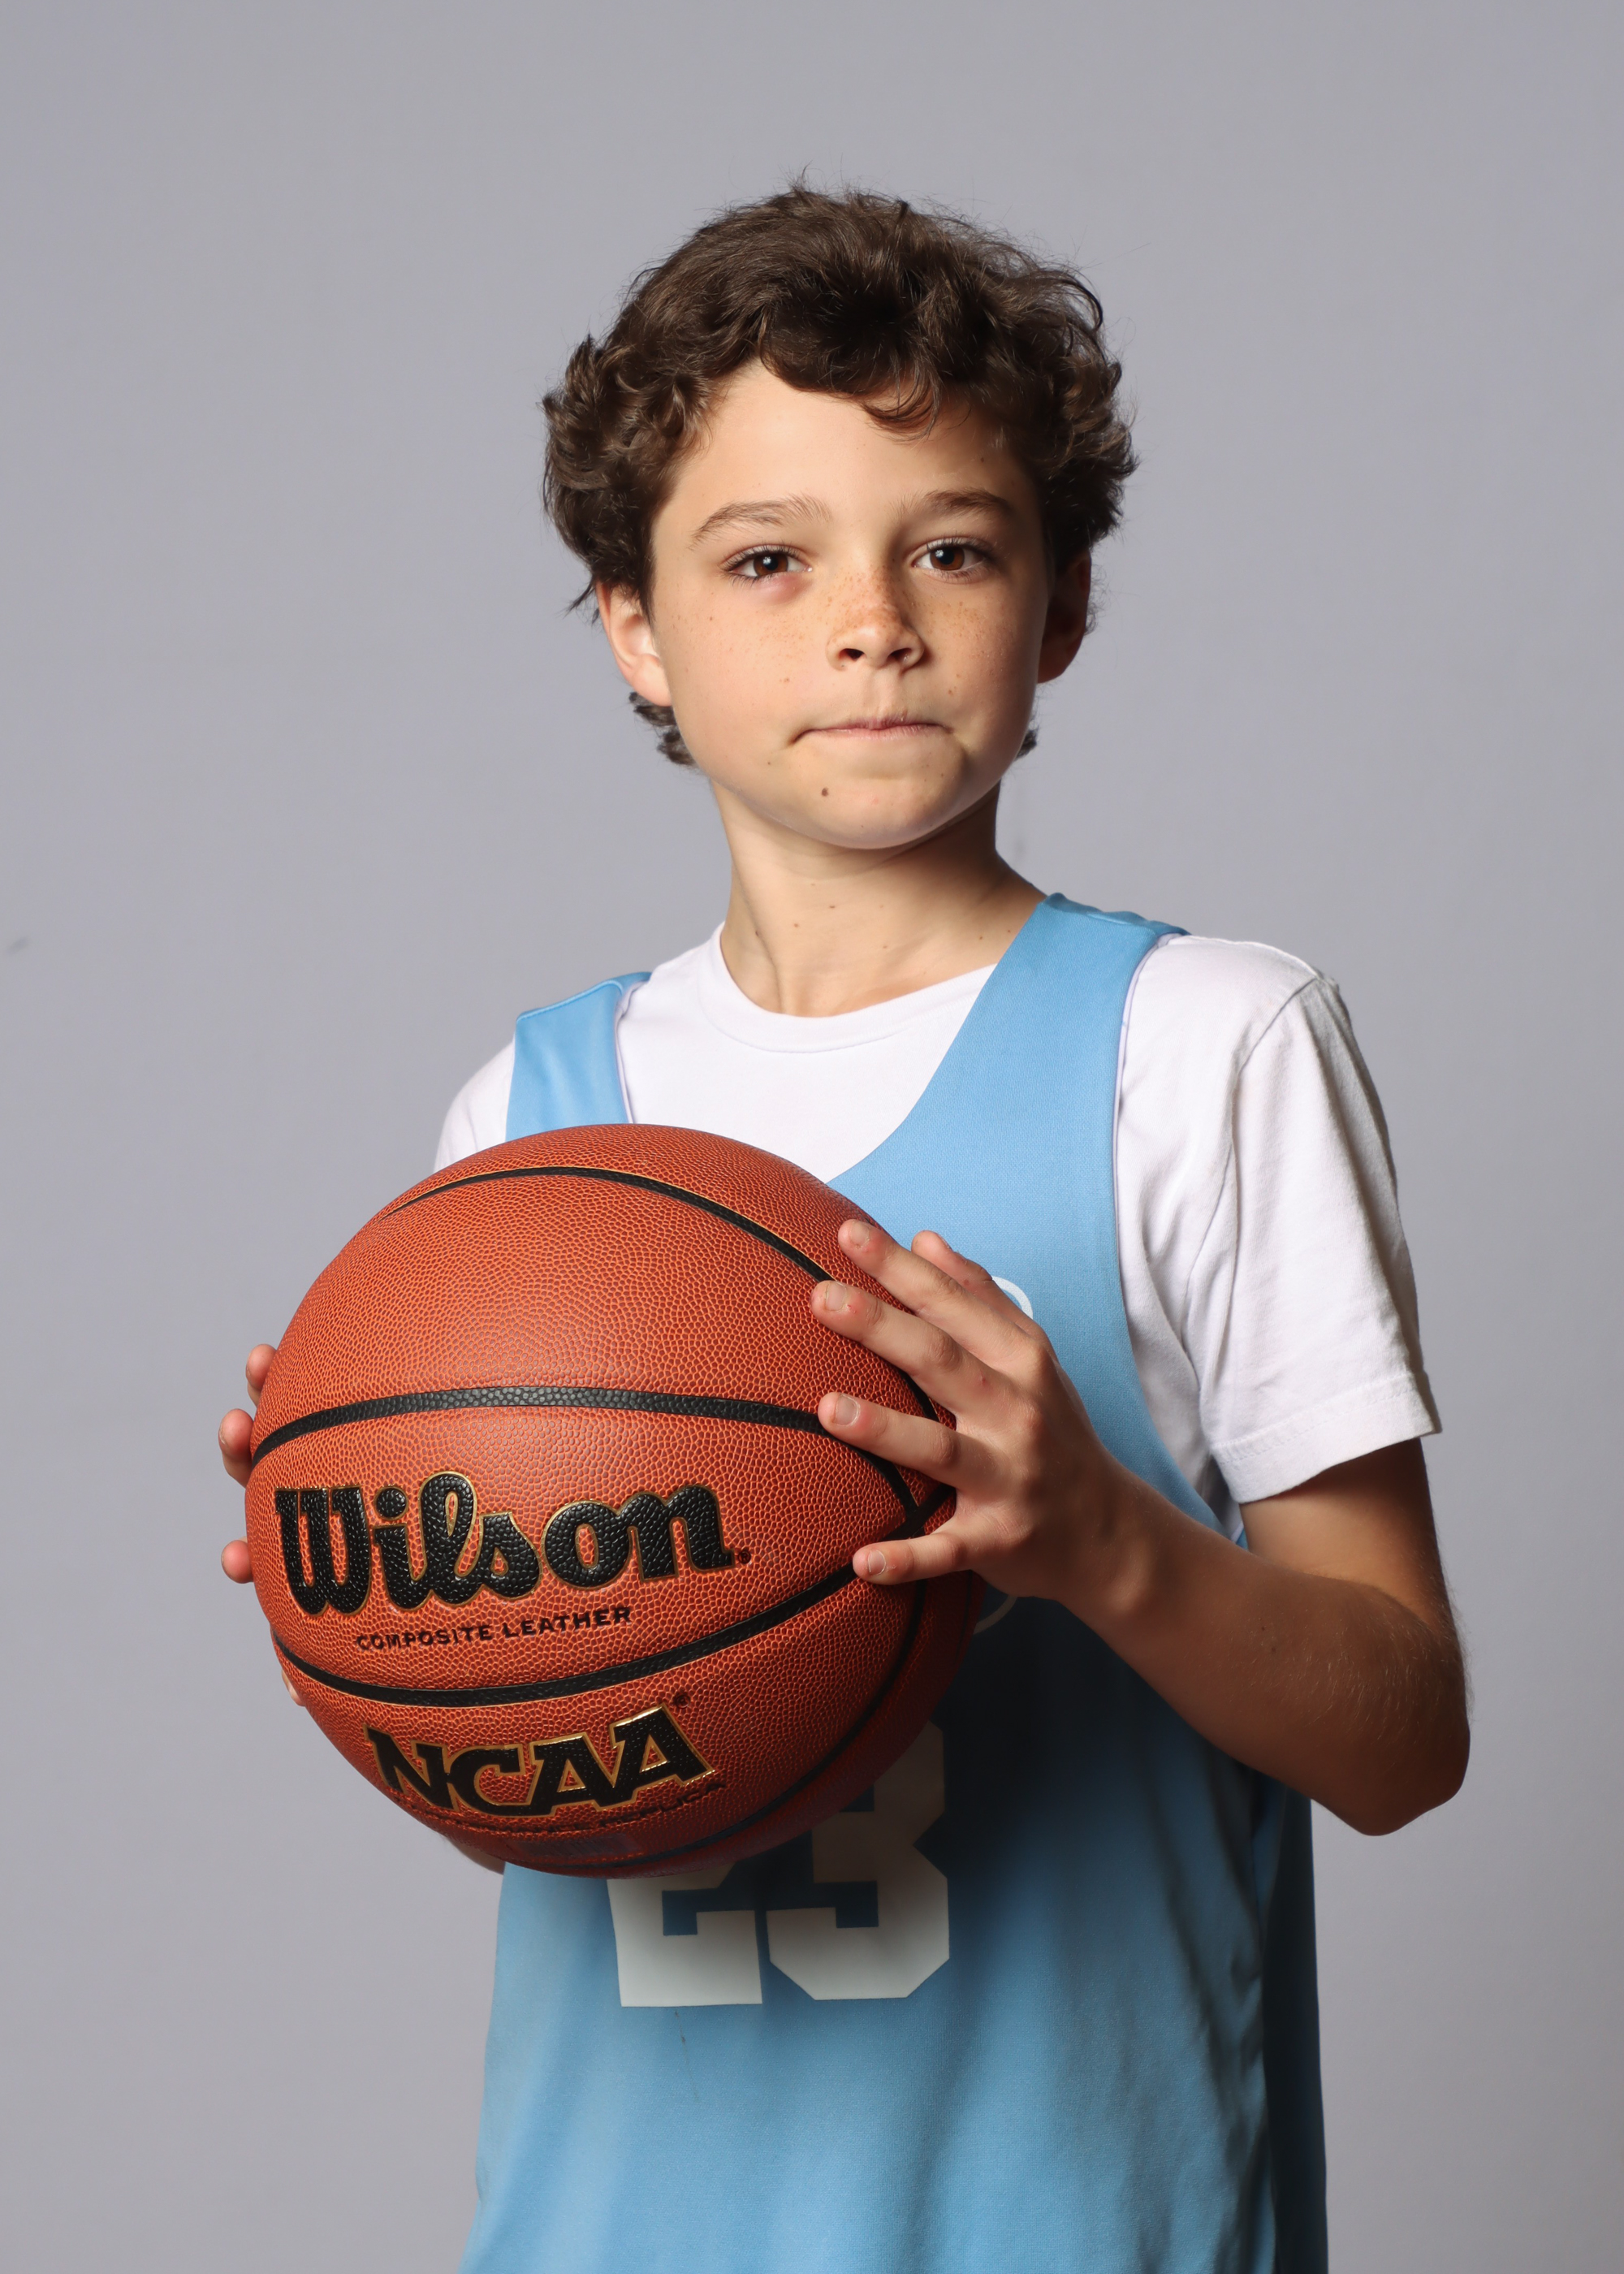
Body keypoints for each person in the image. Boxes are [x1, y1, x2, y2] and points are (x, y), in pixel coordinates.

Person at [218, 187, 1468, 2274]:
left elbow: (1405, 1734)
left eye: (951, 547)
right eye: (766, 557)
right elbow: (571, 1779)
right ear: (633, 623)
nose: (871, 620)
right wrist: (398, 1602)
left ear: (1058, 606)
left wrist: (1098, 1535)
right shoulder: (529, 1125)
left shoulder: (1203, 1046)